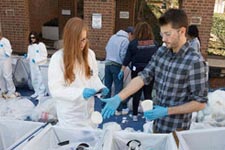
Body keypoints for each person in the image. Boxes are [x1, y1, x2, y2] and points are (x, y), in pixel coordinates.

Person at [101, 9, 208, 133]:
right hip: (157, 126)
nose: (163, 39)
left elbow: (200, 103)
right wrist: (119, 97)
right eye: (162, 34)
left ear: (182, 31)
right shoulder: (162, 52)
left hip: (176, 131)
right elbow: (142, 77)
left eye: (168, 34)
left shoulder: (195, 61)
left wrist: (167, 111)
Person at [48, 17, 109, 129]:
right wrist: (80, 93)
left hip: (89, 113)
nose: (82, 44)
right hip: (71, 117)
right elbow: (56, 90)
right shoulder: (57, 59)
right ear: (70, 39)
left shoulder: (90, 55)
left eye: (84, 39)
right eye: (79, 40)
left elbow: (93, 78)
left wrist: (100, 87)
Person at [118, 22, 158, 121]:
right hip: (150, 72)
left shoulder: (133, 44)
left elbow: (127, 59)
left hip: (137, 71)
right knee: (148, 94)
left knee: (136, 93)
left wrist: (122, 70)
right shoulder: (155, 44)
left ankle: (135, 115)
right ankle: (149, 115)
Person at [104, 26, 134, 115]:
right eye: (133, 36)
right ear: (130, 34)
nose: (132, 39)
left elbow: (106, 48)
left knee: (107, 87)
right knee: (118, 87)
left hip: (107, 63)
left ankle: (104, 106)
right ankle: (118, 109)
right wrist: (126, 65)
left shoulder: (113, 37)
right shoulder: (125, 40)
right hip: (117, 66)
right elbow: (123, 55)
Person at [25, 31, 48, 100]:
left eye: (33, 37)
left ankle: (41, 93)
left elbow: (44, 56)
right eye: (31, 38)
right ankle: (36, 92)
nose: (32, 39)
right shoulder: (30, 46)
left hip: (39, 65)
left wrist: (37, 60)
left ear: (37, 37)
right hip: (32, 66)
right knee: (34, 79)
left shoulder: (41, 45)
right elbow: (29, 55)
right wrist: (27, 57)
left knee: (40, 79)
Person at [0, 31, 20, 99]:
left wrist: (6, 54)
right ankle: (3, 89)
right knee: (0, 75)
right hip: (0, 60)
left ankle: (11, 90)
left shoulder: (5, 41)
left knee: (7, 75)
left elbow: (9, 50)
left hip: (6, 59)